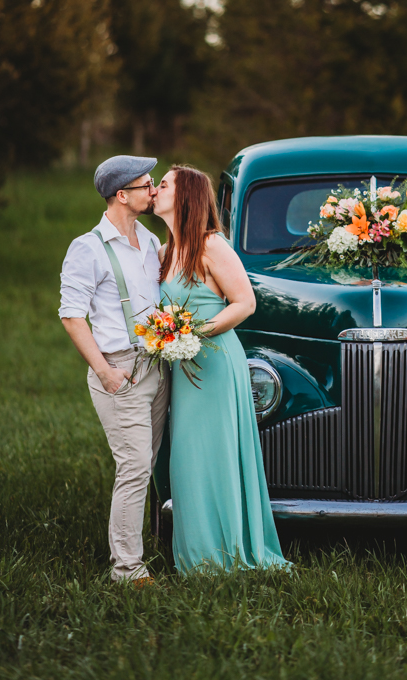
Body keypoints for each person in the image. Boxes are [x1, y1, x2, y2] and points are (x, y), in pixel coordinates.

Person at [154, 164, 289, 573]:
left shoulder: (211, 244)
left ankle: (226, 553)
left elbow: (245, 303)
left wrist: (194, 332)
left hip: (214, 362)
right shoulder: (164, 252)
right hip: (182, 367)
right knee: (187, 458)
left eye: (164, 184)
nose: (155, 189)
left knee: (214, 453)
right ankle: (197, 554)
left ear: (185, 196)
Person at [59, 155, 169, 584]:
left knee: (148, 464)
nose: (153, 190)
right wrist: (105, 372)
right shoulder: (87, 247)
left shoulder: (149, 239)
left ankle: (145, 544)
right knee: (135, 466)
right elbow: (72, 316)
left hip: (156, 367)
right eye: (147, 185)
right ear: (122, 195)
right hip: (119, 370)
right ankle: (127, 568)